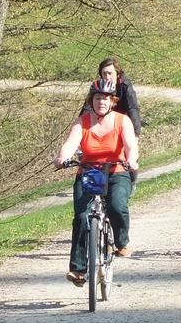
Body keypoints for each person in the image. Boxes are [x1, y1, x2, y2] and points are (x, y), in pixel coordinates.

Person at [55, 78, 140, 286]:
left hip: (117, 170)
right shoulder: (82, 121)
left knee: (116, 205)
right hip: (89, 172)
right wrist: (62, 157)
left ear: (112, 101)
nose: (102, 101)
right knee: (82, 217)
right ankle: (78, 270)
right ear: (91, 100)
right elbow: (70, 144)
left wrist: (131, 160)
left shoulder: (122, 120)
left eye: (106, 98)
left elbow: (130, 145)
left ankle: (121, 242)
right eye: (98, 97)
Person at [81, 57, 142, 136]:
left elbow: (133, 108)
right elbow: (87, 108)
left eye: (110, 73)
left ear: (117, 74)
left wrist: (135, 134)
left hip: (121, 119)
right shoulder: (98, 87)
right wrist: (79, 128)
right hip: (102, 120)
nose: (107, 77)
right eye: (104, 73)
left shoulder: (125, 85)